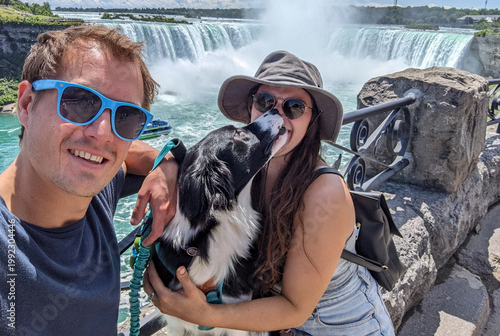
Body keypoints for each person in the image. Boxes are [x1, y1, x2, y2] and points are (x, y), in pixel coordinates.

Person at [144, 50, 395, 335]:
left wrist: (205, 313)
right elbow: (188, 163)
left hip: (341, 325)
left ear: (312, 121)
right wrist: (165, 167)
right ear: (252, 106)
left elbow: (295, 309)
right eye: (265, 101)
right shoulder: (248, 165)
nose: (275, 114)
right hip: (268, 323)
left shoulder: (325, 194)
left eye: (294, 107)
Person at [0, 25, 178, 335]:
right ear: (27, 104)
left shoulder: (97, 194)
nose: (103, 134)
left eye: (126, 117)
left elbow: (131, 152)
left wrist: (168, 163)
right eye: (81, 101)